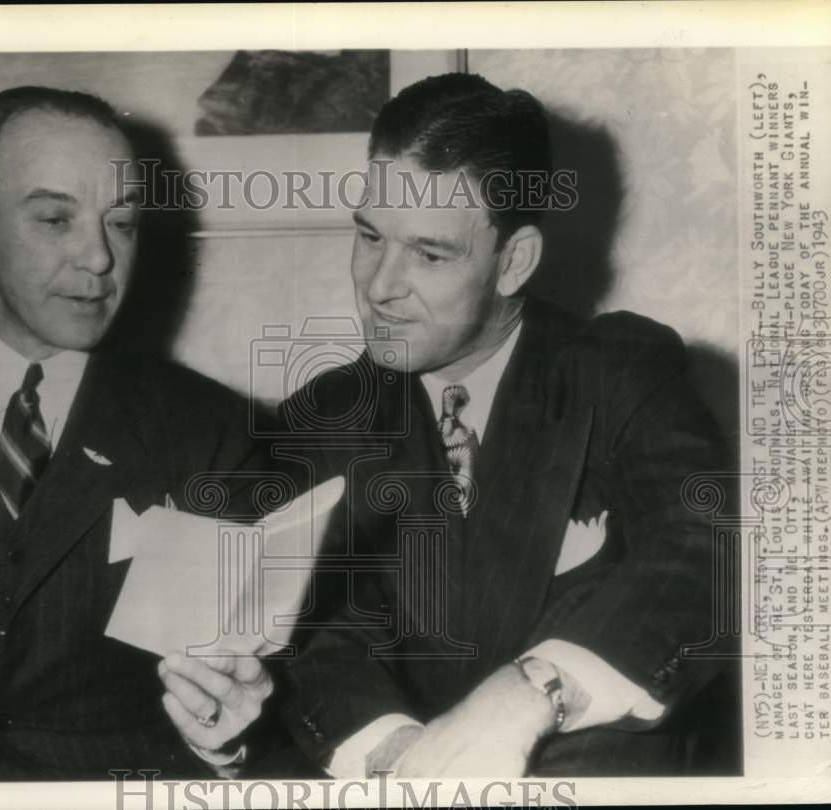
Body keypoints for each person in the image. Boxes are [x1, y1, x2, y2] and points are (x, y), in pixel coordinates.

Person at [274, 73, 734, 777]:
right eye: (369, 236)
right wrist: (402, 755)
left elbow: (711, 545)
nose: (378, 286)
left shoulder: (617, 370)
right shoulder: (325, 415)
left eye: (429, 254)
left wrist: (531, 692)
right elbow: (316, 635)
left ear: (514, 260)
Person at [0, 86, 270, 780]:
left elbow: (232, 704)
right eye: (54, 219)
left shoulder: (209, 432)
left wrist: (223, 742)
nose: (98, 258)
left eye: (121, 222)